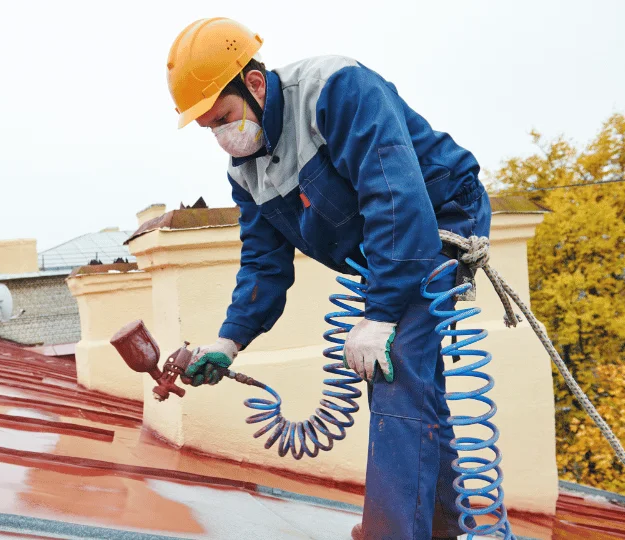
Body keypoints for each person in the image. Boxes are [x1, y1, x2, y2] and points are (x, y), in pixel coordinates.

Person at [166, 17, 491, 540]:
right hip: (387, 249)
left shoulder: (335, 90)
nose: (224, 137)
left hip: (438, 217)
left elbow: (395, 196)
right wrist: (229, 341)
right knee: (410, 376)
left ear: (253, 83)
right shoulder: (246, 171)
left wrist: (381, 313)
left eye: (224, 117)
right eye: (210, 129)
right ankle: (445, 529)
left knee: (395, 366)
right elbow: (263, 265)